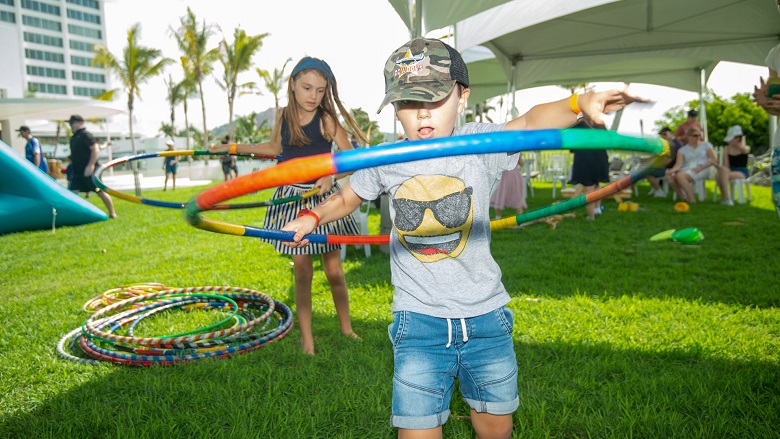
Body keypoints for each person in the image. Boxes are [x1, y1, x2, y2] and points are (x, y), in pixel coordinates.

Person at [279, 38, 641, 438]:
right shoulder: (386, 158)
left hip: (485, 318)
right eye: (408, 104)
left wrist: (578, 103)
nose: (421, 115)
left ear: (462, 95)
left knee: (495, 429)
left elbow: (529, 123)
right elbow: (347, 196)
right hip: (418, 323)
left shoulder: (481, 144)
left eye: (434, 100)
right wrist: (313, 215)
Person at [208, 56, 368, 356]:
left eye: (321, 90)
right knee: (302, 271)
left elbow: (351, 159)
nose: (313, 96)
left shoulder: (327, 119)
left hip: (323, 200)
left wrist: (330, 173)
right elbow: (272, 149)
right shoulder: (283, 116)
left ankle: (346, 328)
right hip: (291, 199)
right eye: (307, 88)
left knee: (334, 271)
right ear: (292, 85)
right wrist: (232, 147)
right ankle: (307, 340)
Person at [67, 115, 117, 218]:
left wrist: (91, 165)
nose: (71, 125)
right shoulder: (74, 138)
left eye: (73, 122)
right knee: (73, 192)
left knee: (99, 191)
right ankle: (75, 216)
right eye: (70, 123)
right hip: (78, 171)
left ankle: (112, 213)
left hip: (90, 170)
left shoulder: (86, 135)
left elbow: (95, 149)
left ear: (80, 122)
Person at [667, 127, 731, 205]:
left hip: (705, 168)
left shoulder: (706, 145)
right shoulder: (682, 150)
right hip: (688, 169)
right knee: (671, 176)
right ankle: (683, 198)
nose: (698, 137)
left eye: (699, 135)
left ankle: (691, 199)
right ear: (688, 137)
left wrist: (701, 168)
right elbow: (678, 165)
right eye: (695, 136)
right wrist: (670, 171)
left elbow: (714, 159)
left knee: (680, 176)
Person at [569, 117, 610, 220]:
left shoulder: (578, 125)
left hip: (585, 158)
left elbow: (571, 142)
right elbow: (607, 140)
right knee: (597, 184)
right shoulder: (600, 123)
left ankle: (591, 216)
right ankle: (597, 209)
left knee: (588, 187)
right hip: (600, 157)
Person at [645, 126, 682, 197]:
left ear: (671, 134)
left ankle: (659, 191)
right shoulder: (671, 143)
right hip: (671, 167)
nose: (663, 136)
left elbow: (668, 160)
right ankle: (655, 188)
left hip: (672, 169)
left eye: (665, 134)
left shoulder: (674, 144)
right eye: (662, 135)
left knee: (647, 172)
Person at [490, 154, 526, 219]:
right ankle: (520, 217)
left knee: (499, 194)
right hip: (513, 176)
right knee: (516, 195)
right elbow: (521, 163)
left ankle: (498, 216)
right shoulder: (516, 150)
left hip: (502, 175)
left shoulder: (499, 151)